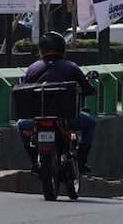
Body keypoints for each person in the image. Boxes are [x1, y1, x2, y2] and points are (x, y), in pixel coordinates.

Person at [17, 32, 98, 173]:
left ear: (41, 50)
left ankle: (33, 160)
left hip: (37, 118)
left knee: (20, 124)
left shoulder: (32, 68)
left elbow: (25, 87)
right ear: (63, 49)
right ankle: (81, 161)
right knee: (90, 123)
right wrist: (91, 90)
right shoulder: (71, 67)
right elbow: (86, 86)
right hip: (66, 118)